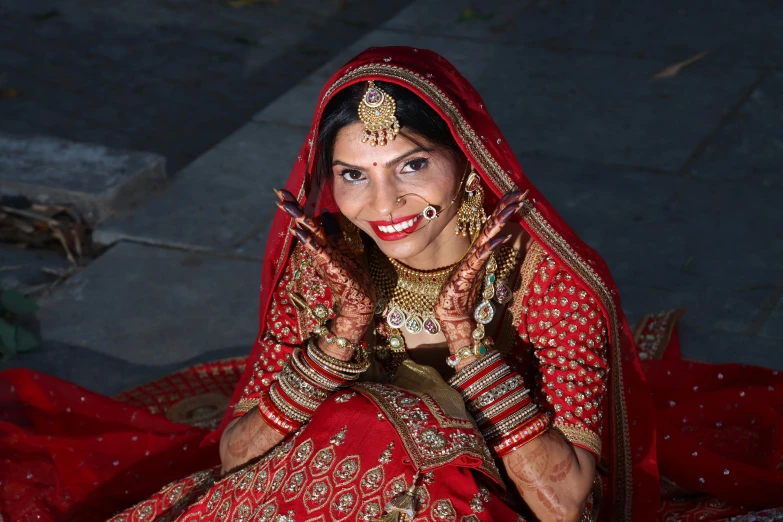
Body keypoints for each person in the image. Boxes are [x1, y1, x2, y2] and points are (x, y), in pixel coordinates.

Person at [1, 46, 782, 522]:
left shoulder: (549, 285)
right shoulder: (332, 260)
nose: (383, 207)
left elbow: (565, 504)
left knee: (387, 424)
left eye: (410, 165)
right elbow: (235, 452)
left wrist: (472, 353)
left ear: (465, 159)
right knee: (357, 420)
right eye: (352, 175)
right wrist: (338, 338)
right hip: (328, 486)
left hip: (474, 497)